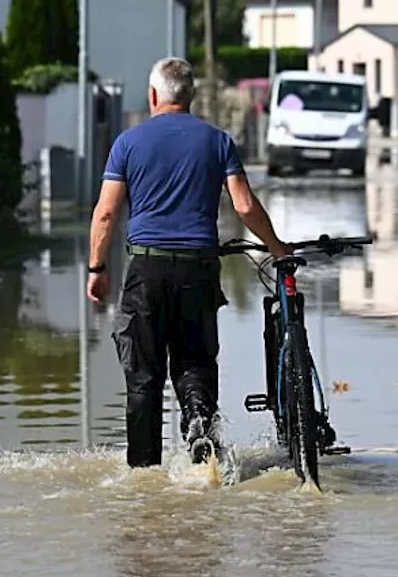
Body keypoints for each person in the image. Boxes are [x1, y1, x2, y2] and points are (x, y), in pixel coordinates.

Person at [86, 57, 290, 469]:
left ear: (152, 95)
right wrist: (276, 248)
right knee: (195, 361)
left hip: (147, 268)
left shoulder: (128, 142)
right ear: (192, 95)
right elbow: (244, 205)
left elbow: (106, 213)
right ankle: (199, 426)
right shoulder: (217, 141)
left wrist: (97, 268)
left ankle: (143, 477)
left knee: (143, 376)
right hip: (198, 268)